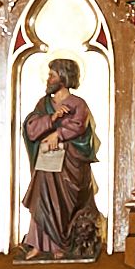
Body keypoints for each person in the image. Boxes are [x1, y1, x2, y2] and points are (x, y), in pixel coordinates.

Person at [20, 59, 101, 257]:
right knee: (42, 200)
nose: (48, 79)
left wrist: (59, 134)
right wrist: (52, 118)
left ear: (63, 78)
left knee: (61, 204)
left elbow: (79, 127)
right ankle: (39, 245)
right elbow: (31, 129)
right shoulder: (44, 104)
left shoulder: (78, 104)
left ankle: (60, 246)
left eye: (52, 75)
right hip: (47, 163)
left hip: (69, 165)